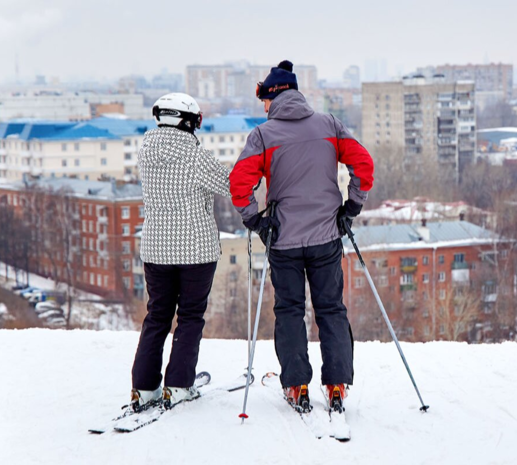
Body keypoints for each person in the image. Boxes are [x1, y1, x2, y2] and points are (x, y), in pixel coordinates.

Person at [229, 60, 374, 412]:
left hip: (283, 241)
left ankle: (296, 386)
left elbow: (238, 183)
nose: (263, 108)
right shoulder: (329, 125)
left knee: (290, 311)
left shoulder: (263, 136)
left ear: (274, 96)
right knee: (331, 309)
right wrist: (351, 208)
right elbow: (364, 166)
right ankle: (337, 383)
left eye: (264, 101)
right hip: (326, 237)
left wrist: (256, 222)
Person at [129, 93, 231, 412]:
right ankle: (179, 384)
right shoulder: (194, 154)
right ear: (187, 120)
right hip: (195, 251)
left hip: (156, 249)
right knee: (189, 317)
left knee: (157, 316)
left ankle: (143, 388)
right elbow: (230, 184)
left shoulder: (145, 150)